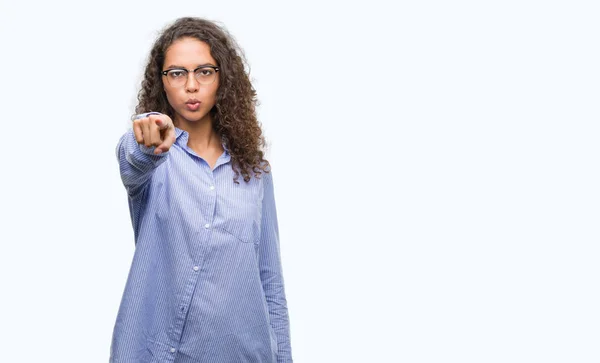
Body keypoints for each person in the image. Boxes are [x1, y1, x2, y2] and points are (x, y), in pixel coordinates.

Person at [109, 17, 293, 363]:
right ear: (162, 83)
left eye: (204, 71)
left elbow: (269, 279)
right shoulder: (154, 157)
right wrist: (147, 141)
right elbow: (130, 160)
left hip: (242, 352)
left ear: (222, 79)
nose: (191, 85)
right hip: (158, 351)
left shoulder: (254, 171)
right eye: (177, 73)